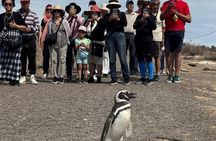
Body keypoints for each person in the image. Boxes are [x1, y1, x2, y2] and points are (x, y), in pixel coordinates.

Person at [160, 0, 191, 83]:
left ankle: (176, 75)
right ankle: (170, 75)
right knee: (169, 53)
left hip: (179, 31)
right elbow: (161, 17)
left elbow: (189, 19)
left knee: (178, 53)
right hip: (169, 31)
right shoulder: (166, 4)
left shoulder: (184, 4)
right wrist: (168, 9)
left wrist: (178, 13)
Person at [0, 0, 29, 86]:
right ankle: (4, 77)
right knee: (3, 60)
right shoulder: (1, 16)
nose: (8, 5)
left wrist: (16, 26)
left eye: (10, 4)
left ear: (13, 5)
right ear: (3, 5)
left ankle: (15, 78)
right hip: (4, 42)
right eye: (6, 4)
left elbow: (25, 28)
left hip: (16, 41)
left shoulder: (17, 15)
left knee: (15, 60)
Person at [102, 0, 130, 85]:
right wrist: (110, 19)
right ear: (109, 7)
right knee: (112, 59)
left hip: (120, 35)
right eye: (111, 6)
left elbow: (125, 23)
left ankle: (126, 78)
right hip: (110, 36)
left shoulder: (122, 14)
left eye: (115, 6)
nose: (113, 8)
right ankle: (114, 79)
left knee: (123, 58)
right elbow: (103, 25)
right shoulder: (107, 15)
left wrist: (118, 19)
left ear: (117, 7)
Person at [41, 5, 71, 84]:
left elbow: (69, 31)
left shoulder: (64, 21)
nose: (57, 13)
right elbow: (48, 32)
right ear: (53, 13)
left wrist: (67, 40)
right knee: (54, 60)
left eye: (58, 11)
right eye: (55, 11)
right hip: (53, 44)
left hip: (63, 43)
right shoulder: (50, 21)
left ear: (61, 13)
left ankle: (61, 76)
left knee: (62, 60)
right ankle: (55, 76)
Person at [133, 1, 157, 86]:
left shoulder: (152, 17)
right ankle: (143, 77)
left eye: (146, 10)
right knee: (140, 59)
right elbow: (134, 26)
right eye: (143, 10)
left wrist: (148, 18)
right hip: (139, 41)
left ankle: (150, 78)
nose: (145, 12)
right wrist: (142, 19)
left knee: (149, 59)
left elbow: (154, 27)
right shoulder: (138, 17)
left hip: (148, 41)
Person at [18, 0, 40, 85]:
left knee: (32, 57)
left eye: (26, 2)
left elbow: (38, 26)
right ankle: (23, 75)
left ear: (29, 3)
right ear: (21, 3)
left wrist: (30, 29)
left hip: (31, 37)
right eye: (23, 2)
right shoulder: (17, 13)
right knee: (22, 57)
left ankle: (32, 75)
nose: (25, 4)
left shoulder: (33, 14)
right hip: (21, 38)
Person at [85, 5, 106, 83]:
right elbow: (85, 32)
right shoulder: (88, 22)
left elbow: (103, 27)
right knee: (90, 61)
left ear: (98, 14)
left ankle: (99, 77)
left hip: (99, 42)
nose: (93, 15)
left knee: (99, 61)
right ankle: (91, 76)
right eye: (92, 13)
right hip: (91, 43)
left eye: (95, 13)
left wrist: (97, 20)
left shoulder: (101, 21)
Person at [65, 2, 83, 82]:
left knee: (78, 57)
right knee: (68, 58)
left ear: (76, 10)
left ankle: (80, 76)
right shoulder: (65, 19)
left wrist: (75, 17)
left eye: (73, 8)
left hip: (76, 40)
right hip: (68, 40)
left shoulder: (79, 18)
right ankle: (69, 75)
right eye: (70, 8)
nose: (71, 10)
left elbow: (82, 24)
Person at [151, 0, 164, 81]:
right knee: (148, 57)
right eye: (154, 4)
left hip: (158, 38)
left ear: (159, 5)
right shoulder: (149, 13)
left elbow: (163, 28)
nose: (155, 6)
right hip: (149, 37)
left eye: (157, 4)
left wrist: (163, 38)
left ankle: (158, 74)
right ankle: (150, 74)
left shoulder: (162, 14)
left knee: (157, 57)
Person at [124, 0, 139, 76]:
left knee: (133, 53)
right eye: (129, 4)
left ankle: (133, 69)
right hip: (124, 34)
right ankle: (125, 69)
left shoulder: (136, 15)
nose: (131, 6)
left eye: (132, 4)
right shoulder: (123, 14)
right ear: (126, 6)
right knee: (124, 53)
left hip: (133, 35)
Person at [40, 4, 52, 79]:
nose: (49, 11)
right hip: (46, 40)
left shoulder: (54, 19)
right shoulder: (43, 20)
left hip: (54, 40)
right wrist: (40, 38)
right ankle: (45, 72)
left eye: (51, 10)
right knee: (46, 56)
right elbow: (41, 30)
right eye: (48, 9)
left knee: (55, 57)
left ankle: (55, 73)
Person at [99, 3, 110, 77]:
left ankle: (106, 70)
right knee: (99, 55)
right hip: (99, 37)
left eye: (104, 10)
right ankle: (98, 70)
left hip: (106, 37)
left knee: (106, 55)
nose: (103, 11)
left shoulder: (108, 18)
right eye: (102, 10)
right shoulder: (99, 18)